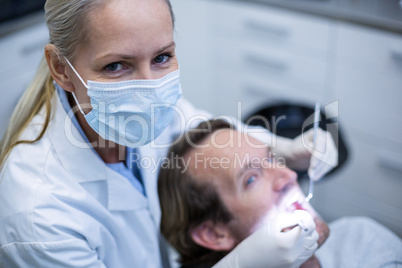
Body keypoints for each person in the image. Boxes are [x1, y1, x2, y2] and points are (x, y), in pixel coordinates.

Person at [0, 0, 337, 267]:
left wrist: (285, 148)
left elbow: (200, 137)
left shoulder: (141, 110)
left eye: (162, 57)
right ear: (61, 69)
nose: (149, 88)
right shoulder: (37, 216)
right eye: (116, 66)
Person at [158, 119, 402, 268]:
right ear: (214, 233)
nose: (289, 176)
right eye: (251, 179)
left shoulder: (363, 238)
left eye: (272, 159)